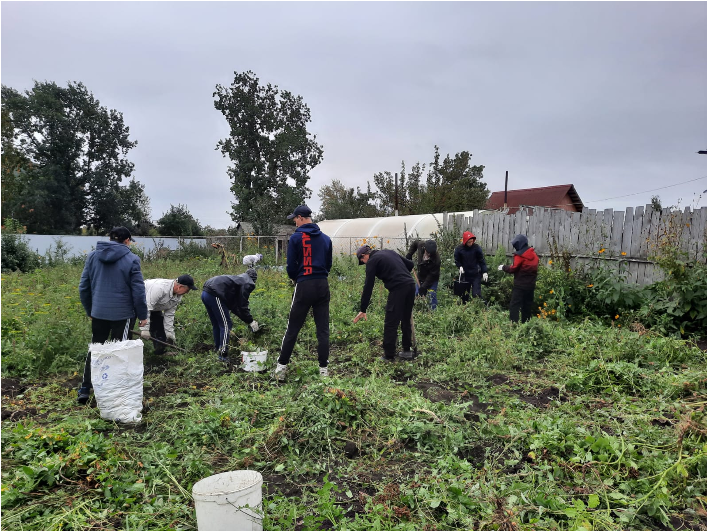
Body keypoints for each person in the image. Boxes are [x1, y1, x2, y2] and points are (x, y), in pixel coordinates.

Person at [77, 226, 148, 404]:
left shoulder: (93, 256)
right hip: (122, 315)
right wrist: (142, 315)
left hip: (98, 312)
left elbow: (83, 287)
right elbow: (138, 291)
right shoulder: (132, 259)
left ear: (110, 239)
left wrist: (90, 310)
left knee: (96, 348)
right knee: (119, 351)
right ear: (127, 241)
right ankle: (114, 393)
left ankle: (85, 389)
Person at [274, 205, 333, 381]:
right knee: (322, 329)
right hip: (322, 284)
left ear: (300, 218)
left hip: (304, 284)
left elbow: (291, 266)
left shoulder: (296, 238)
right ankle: (324, 371)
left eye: (294, 219)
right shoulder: (326, 239)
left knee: (292, 328)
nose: (294, 222)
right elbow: (328, 265)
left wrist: (296, 278)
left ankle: (281, 370)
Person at [353, 245, 416, 362]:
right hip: (410, 285)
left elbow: (368, 286)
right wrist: (400, 273)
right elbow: (410, 264)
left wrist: (363, 309)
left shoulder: (372, 261)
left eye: (362, 261)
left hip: (398, 288)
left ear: (364, 255)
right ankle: (407, 351)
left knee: (391, 322)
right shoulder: (389, 251)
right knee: (405, 319)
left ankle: (389, 355)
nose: (364, 263)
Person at [201, 269, 259, 363]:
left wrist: (247, 320)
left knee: (217, 324)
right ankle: (222, 355)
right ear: (253, 279)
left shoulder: (237, 281)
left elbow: (235, 306)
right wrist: (251, 321)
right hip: (215, 293)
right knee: (226, 325)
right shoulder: (247, 283)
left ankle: (218, 349)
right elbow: (242, 305)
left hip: (205, 293)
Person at [139, 275, 198, 354]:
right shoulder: (160, 288)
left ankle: (160, 353)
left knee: (159, 326)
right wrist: (144, 329)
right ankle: (124, 346)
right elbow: (146, 307)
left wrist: (169, 334)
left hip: (155, 306)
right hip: (137, 301)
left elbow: (169, 315)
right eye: (187, 290)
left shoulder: (178, 296)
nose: (187, 293)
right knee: (128, 324)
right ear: (179, 287)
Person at [498, 234, 539, 323]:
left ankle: (513, 324)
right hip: (531, 285)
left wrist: (503, 267)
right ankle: (526, 325)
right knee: (527, 305)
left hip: (520, 285)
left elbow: (513, 268)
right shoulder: (534, 255)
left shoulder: (519, 256)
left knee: (514, 305)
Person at [406, 239, 441, 310]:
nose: (429, 255)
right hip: (421, 276)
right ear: (425, 248)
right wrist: (410, 254)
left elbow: (432, 275)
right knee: (417, 294)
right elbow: (415, 243)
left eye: (431, 253)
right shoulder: (421, 245)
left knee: (431, 294)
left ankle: (433, 312)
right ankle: (417, 310)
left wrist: (424, 287)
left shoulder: (436, 260)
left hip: (432, 279)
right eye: (428, 253)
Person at [454, 231, 488, 303]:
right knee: (464, 295)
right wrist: (460, 266)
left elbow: (481, 260)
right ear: (465, 241)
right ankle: (465, 310)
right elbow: (457, 260)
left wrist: (484, 272)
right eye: (469, 242)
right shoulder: (459, 249)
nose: (470, 243)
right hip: (465, 274)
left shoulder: (476, 248)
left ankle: (484, 306)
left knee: (476, 294)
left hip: (475, 274)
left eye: (472, 241)